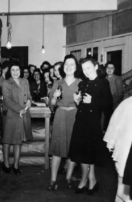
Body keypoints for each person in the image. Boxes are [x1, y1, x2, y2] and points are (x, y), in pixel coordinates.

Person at [68, 57, 112, 194]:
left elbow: (108, 105)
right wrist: (77, 101)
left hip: (93, 122)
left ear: (96, 66)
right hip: (81, 120)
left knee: (89, 153)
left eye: (89, 68)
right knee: (82, 152)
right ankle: (88, 179)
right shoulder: (82, 84)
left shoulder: (103, 83)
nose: (86, 71)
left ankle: (88, 180)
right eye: (84, 69)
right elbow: (82, 105)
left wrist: (93, 100)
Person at [47, 54, 81, 190]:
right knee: (57, 149)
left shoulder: (80, 82)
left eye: (72, 64)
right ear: (63, 67)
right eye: (66, 64)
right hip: (60, 114)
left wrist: (78, 101)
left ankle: (68, 178)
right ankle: (53, 180)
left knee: (72, 150)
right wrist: (54, 98)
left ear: (76, 67)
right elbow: (52, 105)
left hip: (74, 115)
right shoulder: (58, 83)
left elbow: (83, 105)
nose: (68, 67)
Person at [2, 62, 33, 175]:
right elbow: (7, 99)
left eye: (17, 70)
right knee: (7, 140)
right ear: (10, 71)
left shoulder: (25, 81)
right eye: (13, 70)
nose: (15, 72)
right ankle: (5, 163)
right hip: (11, 114)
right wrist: (20, 109)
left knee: (18, 141)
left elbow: (28, 94)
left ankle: (16, 165)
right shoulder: (6, 83)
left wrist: (29, 99)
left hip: (23, 113)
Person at [103, 62, 124, 131]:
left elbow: (120, 93)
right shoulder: (103, 79)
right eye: (108, 68)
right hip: (104, 104)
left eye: (111, 68)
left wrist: (110, 102)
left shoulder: (117, 78)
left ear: (114, 69)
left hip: (114, 104)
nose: (109, 69)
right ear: (105, 69)